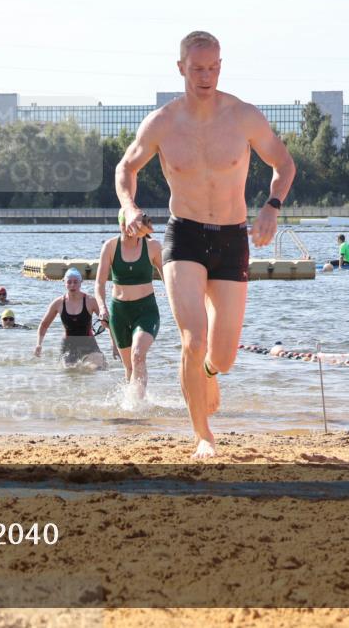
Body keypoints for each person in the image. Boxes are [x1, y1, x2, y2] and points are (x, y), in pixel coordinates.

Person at [115, 30, 296, 458]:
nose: (206, 76)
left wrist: (271, 206)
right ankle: (202, 435)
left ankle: (210, 372)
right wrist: (128, 207)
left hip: (233, 237)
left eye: (213, 67)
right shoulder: (162, 122)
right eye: (197, 68)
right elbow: (127, 167)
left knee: (223, 355)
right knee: (192, 340)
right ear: (181, 68)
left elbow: (283, 163)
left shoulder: (243, 116)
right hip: (185, 236)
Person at [95, 210, 164, 399]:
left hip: (146, 311)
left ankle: (138, 405)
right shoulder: (110, 247)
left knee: (138, 355)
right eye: (124, 223)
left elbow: (169, 277)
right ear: (120, 224)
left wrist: (182, 305)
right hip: (120, 313)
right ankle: (132, 406)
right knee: (129, 367)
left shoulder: (153, 247)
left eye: (132, 223)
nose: (128, 227)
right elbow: (99, 284)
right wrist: (102, 308)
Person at [34, 268, 106, 369]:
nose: (72, 285)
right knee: (69, 373)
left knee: (99, 369)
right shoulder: (58, 303)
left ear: (81, 282)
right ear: (65, 283)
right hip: (68, 345)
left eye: (75, 282)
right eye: (69, 282)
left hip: (88, 343)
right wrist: (39, 344)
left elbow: (108, 323)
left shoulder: (91, 301)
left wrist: (115, 344)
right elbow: (44, 325)